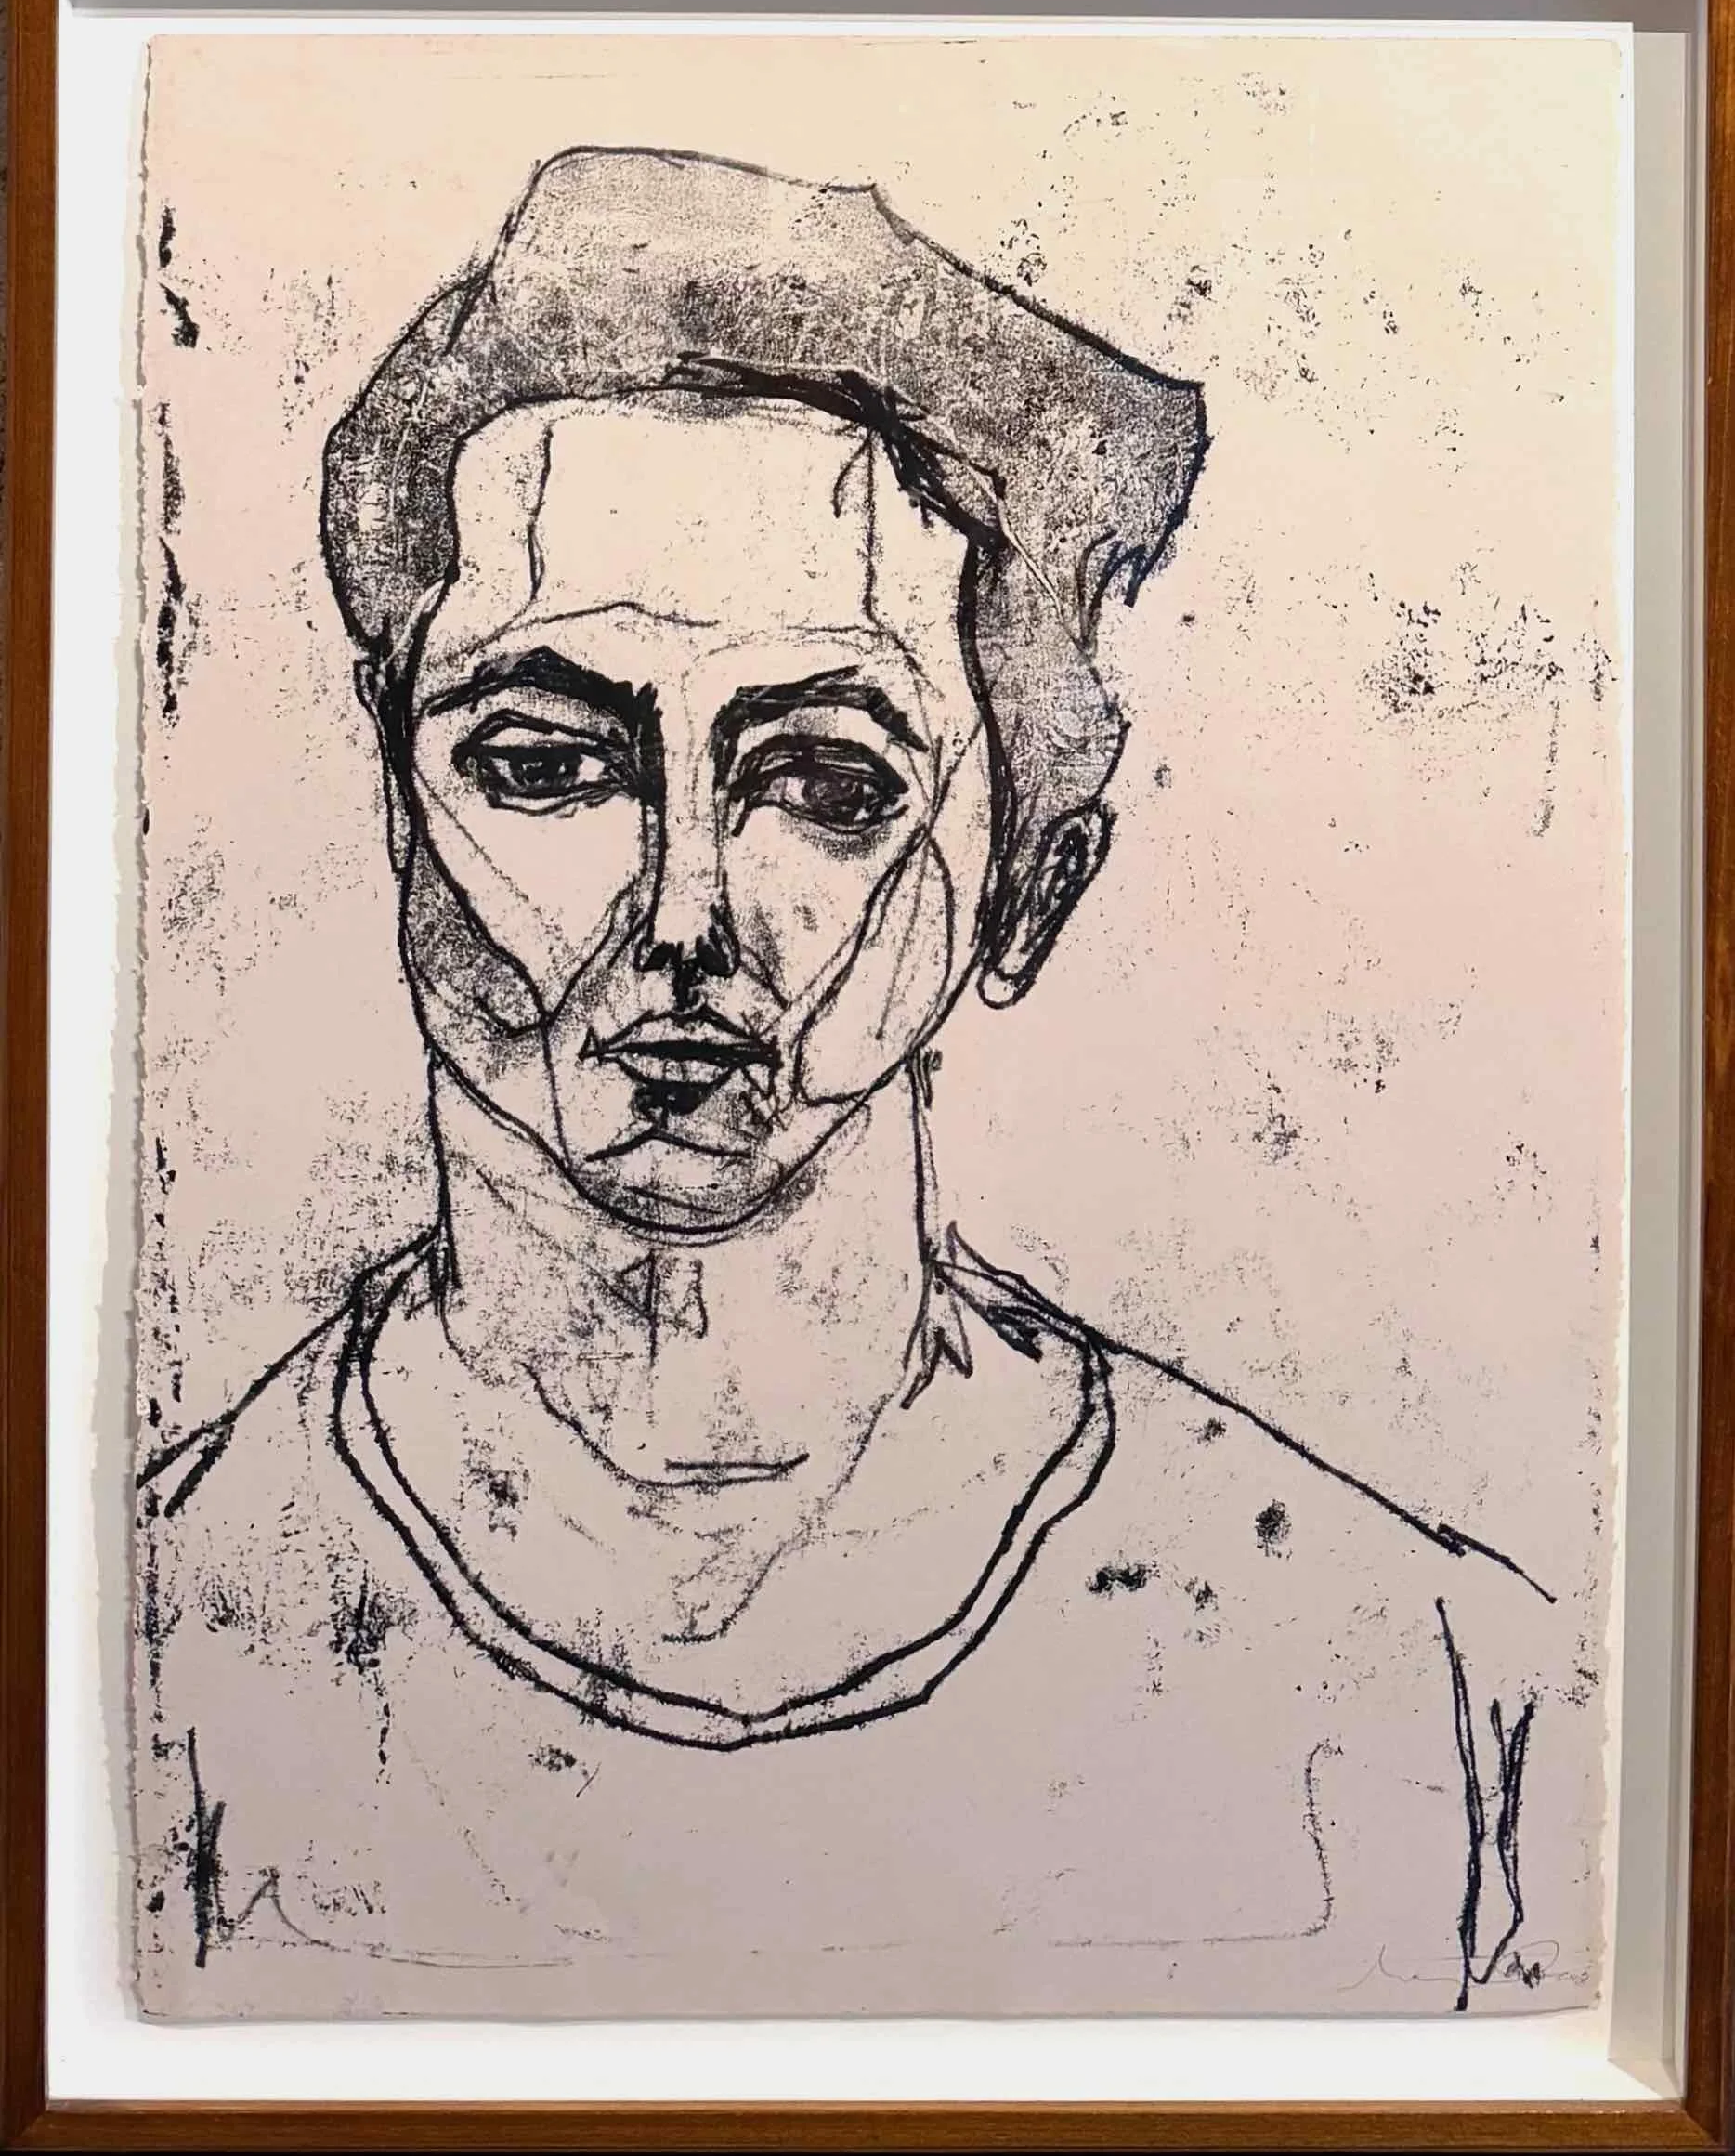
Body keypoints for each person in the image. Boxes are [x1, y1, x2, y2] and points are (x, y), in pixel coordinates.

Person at [136, 150, 1590, 2019]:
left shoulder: (1424, 1678)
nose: (680, 915)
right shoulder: (145, 1637)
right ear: (391, 805)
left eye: (826, 784)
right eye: (542, 765)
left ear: (1029, 885)